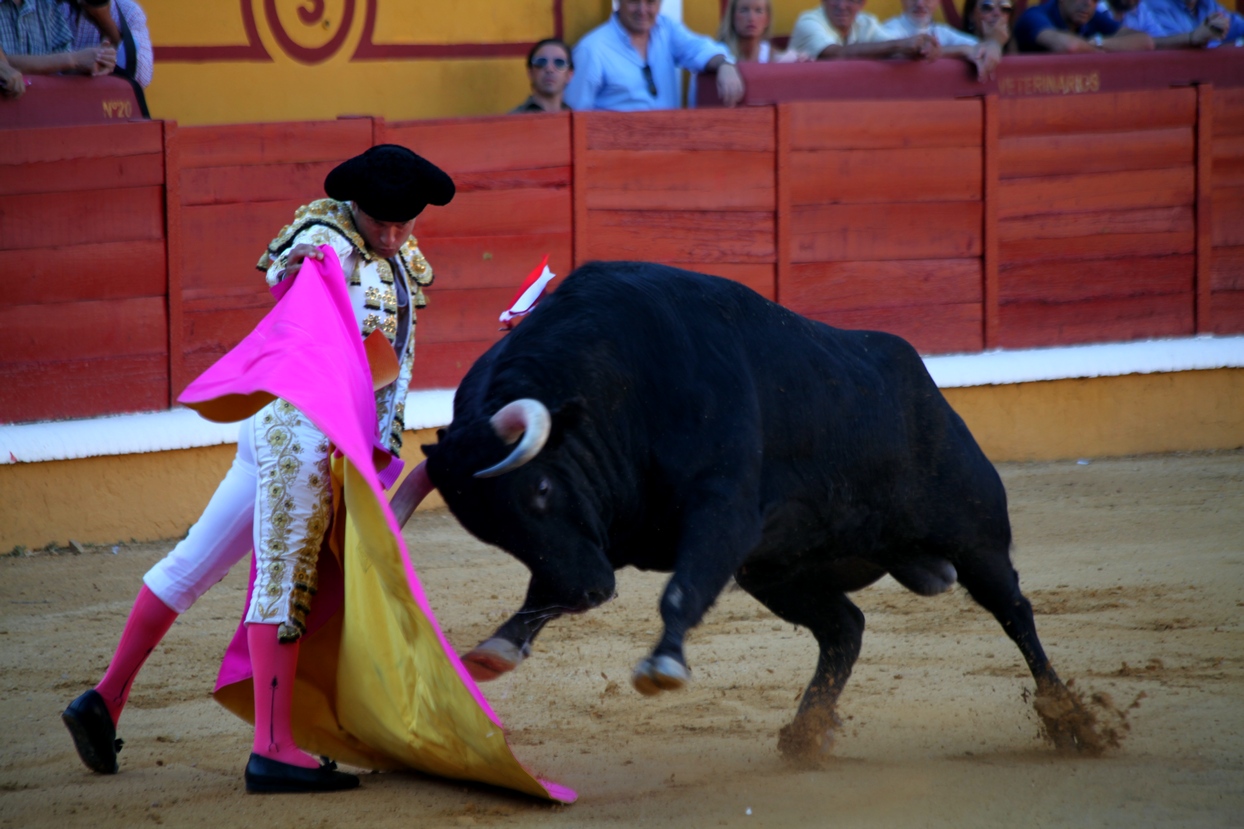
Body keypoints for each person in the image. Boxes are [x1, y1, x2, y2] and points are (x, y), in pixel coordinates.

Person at [61, 145, 456, 795]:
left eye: (403, 224)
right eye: (379, 222)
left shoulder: (402, 259)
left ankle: (102, 699)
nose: (389, 235)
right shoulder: (322, 240)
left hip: (292, 428)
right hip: (304, 428)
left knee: (194, 563)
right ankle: (272, 748)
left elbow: (388, 359)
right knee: (287, 573)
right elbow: (298, 284)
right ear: (354, 206)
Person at [564, 0, 745, 112]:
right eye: (634, 1)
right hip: (616, 159)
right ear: (618, 2)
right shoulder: (592, 49)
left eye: (651, 2)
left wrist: (725, 64)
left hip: (665, 156)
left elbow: (697, 48)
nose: (643, 10)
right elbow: (576, 113)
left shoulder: (665, 29)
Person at [879, 0, 1004, 77]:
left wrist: (994, 45)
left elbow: (978, 47)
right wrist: (961, 50)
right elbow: (898, 54)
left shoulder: (942, 31)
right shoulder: (889, 28)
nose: (920, 3)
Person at [790, 0, 942, 61]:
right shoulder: (808, 21)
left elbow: (900, 49)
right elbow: (836, 54)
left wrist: (922, 47)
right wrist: (900, 46)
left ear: (862, 3)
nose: (842, 5)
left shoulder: (866, 22)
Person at [0, 0, 114, 76]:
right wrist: (74, 60)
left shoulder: (46, 4)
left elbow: (63, 65)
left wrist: (98, 60)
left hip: (38, 108)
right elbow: (2, 63)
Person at [62, 0, 153, 88]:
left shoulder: (128, 10)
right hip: (56, 96)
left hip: (100, 99)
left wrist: (104, 19)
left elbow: (142, 77)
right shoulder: (54, 6)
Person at [1014, 0, 1155, 51]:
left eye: (1095, 0)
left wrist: (1099, 44)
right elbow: (1070, 46)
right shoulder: (1034, 15)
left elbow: (1145, 41)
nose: (1088, 3)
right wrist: (1102, 52)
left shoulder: (1088, 14)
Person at [1120, 0, 1244, 48]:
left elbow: (1238, 25)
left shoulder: (1207, 4)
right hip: (1166, 90)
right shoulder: (1154, 5)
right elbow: (1182, 50)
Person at [717, 0, 806, 62]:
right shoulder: (718, 53)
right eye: (744, 10)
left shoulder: (772, 55)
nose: (751, 18)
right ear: (732, 17)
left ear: (767, 19)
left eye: (758, 11)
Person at [511, 37, 573, 113]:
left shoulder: (577, 119)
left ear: (569, 75)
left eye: (559, 63)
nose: (549, 69)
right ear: (530, 72)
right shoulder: (512, 120)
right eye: (541, 62)